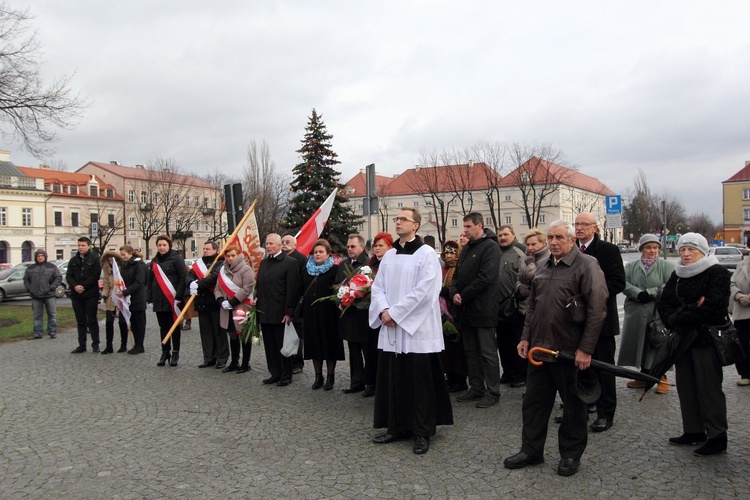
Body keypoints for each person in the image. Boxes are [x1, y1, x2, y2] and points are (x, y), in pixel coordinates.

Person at [504, 220, 608, 477]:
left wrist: (586, 349)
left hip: (569, 352)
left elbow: (597, 311)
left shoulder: (587, 266)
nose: (553, 242)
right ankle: (531, 450)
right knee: (534, 404)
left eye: (559, 237)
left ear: (572, 240)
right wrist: (525, 338)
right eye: (550, 237)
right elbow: (532, 308)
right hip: (540, 351)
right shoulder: (542, 266)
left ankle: (571, 455)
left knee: (573, 406)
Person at [369, 208, 453, 455]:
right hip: (392, 327)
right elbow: (378, 287)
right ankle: (396, 427)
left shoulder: (426, 254)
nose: (398, 222)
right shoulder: (391, 254)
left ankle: (422, 431)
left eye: (403, 219)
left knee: (419, 381)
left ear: (416, 225)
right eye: (397, 219)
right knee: (395, 376)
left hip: (416, 330)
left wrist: (396, 314)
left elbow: (427, 290)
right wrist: (384, 310)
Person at [658, 233, 731, 456]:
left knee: (709, 388)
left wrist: (681, 314)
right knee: (686, 386)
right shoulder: (677, 274)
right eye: (682, 250)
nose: (686, 254)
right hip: (683, 339)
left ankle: (717, 435)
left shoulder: (716, 272)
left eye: (692, 249)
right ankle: (694, 430)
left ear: (703, 251)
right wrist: (683, 314)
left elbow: (713, 307)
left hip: (706, 340)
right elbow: (665, 304)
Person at [575, 212, 625, 432]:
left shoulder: (608, 250)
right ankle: (582, 409)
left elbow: (618, 283)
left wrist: (592, 295)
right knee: (580, 369)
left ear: (594, 228)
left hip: (601, 319)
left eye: (584, 224)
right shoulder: (570, 248)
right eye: (576, 224)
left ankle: (606, 413)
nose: (579, 228)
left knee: (604, 368)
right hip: (574, 321)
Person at [449, 212, 502, 408]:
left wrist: (464, 295)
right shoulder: (466, 248)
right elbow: (457, 274)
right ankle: (476, 387)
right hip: (466, 310)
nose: (465, 230)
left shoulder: (490, 247)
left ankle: (493, 391)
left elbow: (486, 278)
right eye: (464, 227)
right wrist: (455, 291)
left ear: (480, 225)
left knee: (487, 352)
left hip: (483, 309)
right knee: (470, 351)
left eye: (468, 226)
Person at [617, 234, 674, 392]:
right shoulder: (631, 266)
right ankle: (644, 375)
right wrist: (637, 293)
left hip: (657, 311)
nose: (652, 250)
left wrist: (651, 292)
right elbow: (623, 282)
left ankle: (662, 377)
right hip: (636, 310)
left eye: (655, 247)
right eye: (648, 247)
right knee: (640, 344)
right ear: (642, 249)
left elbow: (669, 285)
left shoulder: (666, 266)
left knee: (657, 344)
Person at [253, 233, 300, 386]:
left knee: (282, 345)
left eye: (271, 244)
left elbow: (292, 289)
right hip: (265, 311)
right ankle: (275, 372)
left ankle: (286, 374)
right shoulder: (264, 263)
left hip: (280, 312)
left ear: (280, 245)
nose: (268, 247)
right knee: (270, 345)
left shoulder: (290, 263)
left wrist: (289, 312)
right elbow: (261, 285)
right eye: (266, 244)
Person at [300, 239, 343, 390]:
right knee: (314, 345)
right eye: (315, 252)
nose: (317, 254)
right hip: (310, 313)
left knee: (329, 345)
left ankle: (330, 376)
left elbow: (338, 289)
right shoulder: (306, 270)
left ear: (328, 253)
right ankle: (318, 376)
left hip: (329, 314)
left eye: (321, 252)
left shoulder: (334, 269)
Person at [513, 229, 550, 381]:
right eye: (527, 244)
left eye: (534, 244)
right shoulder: (526, 258)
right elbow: (519, 278)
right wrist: (519, 287)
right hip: (525, 307)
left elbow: (541, 280)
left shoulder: (548, 258)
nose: (530, 247)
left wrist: (530, 265)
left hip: (542, 309)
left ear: (543, 243)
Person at [336, 234, 371, 394]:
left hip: (364, 315)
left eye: (353, 246)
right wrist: (339, 303)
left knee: (368, 351)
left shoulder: (368, 264)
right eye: (348, 247)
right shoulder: (343, 265)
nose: (350, 249)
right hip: (349, 314)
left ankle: (371, 383)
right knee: (354, 350)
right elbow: (337, 287)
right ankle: (356, 382)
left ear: (362, 248)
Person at [146, 235, 187, 367]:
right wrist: (150, 298)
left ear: (169, 245)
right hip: (159, 299)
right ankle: (165, 352)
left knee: (174, 327)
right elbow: (150, 280)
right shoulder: (154, 261)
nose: (162, 248)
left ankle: (175, 352)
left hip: (173, 299)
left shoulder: (176, 259)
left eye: (164, 245)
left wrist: (179, 297)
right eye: (159, 245)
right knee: (163, 327)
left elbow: (183, 278)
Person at [187, 241, 228, 370]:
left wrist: (198, 284)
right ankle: (209, 357)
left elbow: (214, 277)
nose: (205, 251)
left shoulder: (220, 262)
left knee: (219, 333)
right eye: (204, 248)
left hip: (215, 302)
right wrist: (191, 283)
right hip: (202, 303)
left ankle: (222, 358)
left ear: (215, 250)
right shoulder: (198, 264)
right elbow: (189, 276)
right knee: (206, 333)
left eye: (208, 249)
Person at [214, 245, 255, 373]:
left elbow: (247, 288)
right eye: (228, 256)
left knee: (243, 335)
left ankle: (245, 363)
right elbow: (217, 288)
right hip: (227, 308)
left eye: (233, 255)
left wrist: (232, 301)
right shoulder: (223, 270)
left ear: (238, 255)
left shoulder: (245, 269)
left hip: (241, 307)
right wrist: (221, 301)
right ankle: (234, 362)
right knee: (232, 335)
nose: (230, 258)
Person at [362, 232, 393, 397]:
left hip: (388, 312)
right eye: (375, 245)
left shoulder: (392, 264)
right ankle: (372, 382)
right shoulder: (371, 265)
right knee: (372, 350)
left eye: (381, 245)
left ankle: (384, 383)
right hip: (373, 312)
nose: (377, 248)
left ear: (390, 247)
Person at [495, 225, 527, 388]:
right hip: (498, 306)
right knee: (503, 341)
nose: (502, 237)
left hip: (516, 305)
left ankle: (521, 374)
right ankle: (508, 372)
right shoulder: (496, 252)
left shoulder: (522, 251)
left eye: (506, 234)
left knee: (517, 341)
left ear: (513, 235)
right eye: (500, 235)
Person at [439, 240, 468, 393]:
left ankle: (460, 378)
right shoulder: (441, 268)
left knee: (458, 348)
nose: (449, 256)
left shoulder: (460, 268)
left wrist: (448, 293)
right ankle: (450, 376)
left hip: (457, 312)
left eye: (452, 252)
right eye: (447, 252)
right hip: (442, 313)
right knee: (446, 349)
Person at [67, 237, 102, 353]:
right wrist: (75, 286)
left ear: (89, 246)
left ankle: (95, 343)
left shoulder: (95, 259)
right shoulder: (73, 260)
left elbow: (95, 275)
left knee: (92, 319)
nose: (81, 248)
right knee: (80, 320)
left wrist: (83, 286)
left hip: (90, 294)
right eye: (79, 245)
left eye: (83, 245)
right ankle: (82, 345)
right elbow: (69, 276)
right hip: (76, 295)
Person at [282, 234, 307, 375]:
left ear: (295, 245)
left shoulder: (301, 259)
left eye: (288, 242)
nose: (285, 244)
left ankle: (298, 362)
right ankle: (287, 361)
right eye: (283, 242)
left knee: (297, 335)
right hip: (283, 302)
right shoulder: (280, 259)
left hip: (297, 303)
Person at [23, 249, 62, 340]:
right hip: (35, 296)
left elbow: (58, 277)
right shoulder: (30, 268)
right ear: (36, 257)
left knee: (52, 314)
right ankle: (37, 333)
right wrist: (29, 289)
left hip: (49, 295)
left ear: (45, 257)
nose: (40, 257)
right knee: (37, 316)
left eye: (42, 256)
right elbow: (26, 279)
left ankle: (52, 331)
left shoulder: (52, 267)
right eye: (38, 256)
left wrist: (52, 287)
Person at [117, 245, 147, 355]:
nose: (123, 257)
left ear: (130, 253)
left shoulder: (138, 264)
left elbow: (139, 282)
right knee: (133, 322)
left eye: (124, 255)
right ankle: (136, 344)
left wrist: (126, 292)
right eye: (121, 255)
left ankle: (140, 345)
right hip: (128, 298)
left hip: (138, 297)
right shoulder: (124, 265)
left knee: (139, 323)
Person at [100, 251, 128, 354]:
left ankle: (123, 344)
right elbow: (106, 284)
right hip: (111, 298)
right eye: (109, 260)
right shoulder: (107, 270)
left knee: (122, 322)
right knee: (109, 322)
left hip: (121, 297)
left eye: (113, 260)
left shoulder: (122, 269)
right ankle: (109, 346)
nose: (111, 262)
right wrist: (104, 294)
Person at [730, 249, 750, 386]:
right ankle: (745, 374)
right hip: (742, 312)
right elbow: (732, 283)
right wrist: (738, 295)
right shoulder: (742, 264)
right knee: (741, 344)